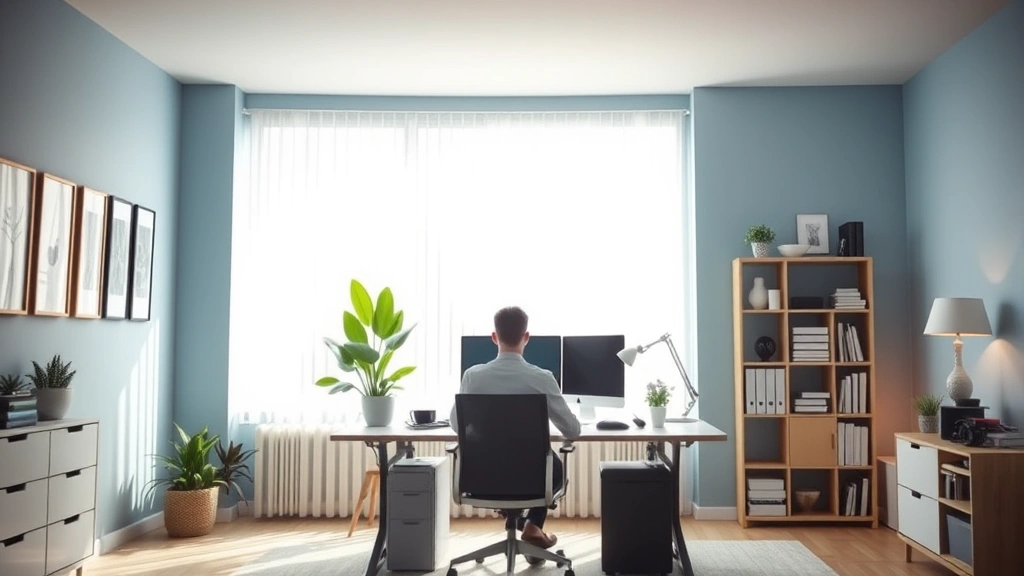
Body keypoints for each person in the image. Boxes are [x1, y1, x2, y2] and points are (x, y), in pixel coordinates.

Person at [449, 306, 581, 551]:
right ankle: (532, 524)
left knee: (521, 465)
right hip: (531, 477)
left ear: (494, 337)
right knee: (553, 464)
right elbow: (572, 431)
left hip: (482, 476)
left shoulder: (472, 376)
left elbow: (457, 425)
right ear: (526, 337)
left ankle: (526, 525)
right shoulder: (542, 377)